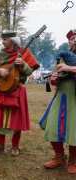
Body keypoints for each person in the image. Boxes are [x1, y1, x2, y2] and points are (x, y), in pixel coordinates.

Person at [0, 31, 39, 156]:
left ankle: (15, 146)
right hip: (2, 89)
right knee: (0, 118)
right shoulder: (0, 54)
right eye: (2, 39)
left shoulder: (23, 54)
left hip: (17, 90)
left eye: (5, 39)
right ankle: (0, 144)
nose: (2, 41)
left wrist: (23, 65)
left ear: (12, 40)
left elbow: (28, 72)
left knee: (16, 120)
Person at [39, 29, 76, 174]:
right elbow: (55, 77)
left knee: (74, 129)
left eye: (75, 38)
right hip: (61, 96)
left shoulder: (67, 63)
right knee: (53, 126)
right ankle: (59, 157)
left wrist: (70, 68)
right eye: (72, 39)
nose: (74, 40)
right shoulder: (62, 57)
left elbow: (68, 69)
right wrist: (53, 77)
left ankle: (74, 160)